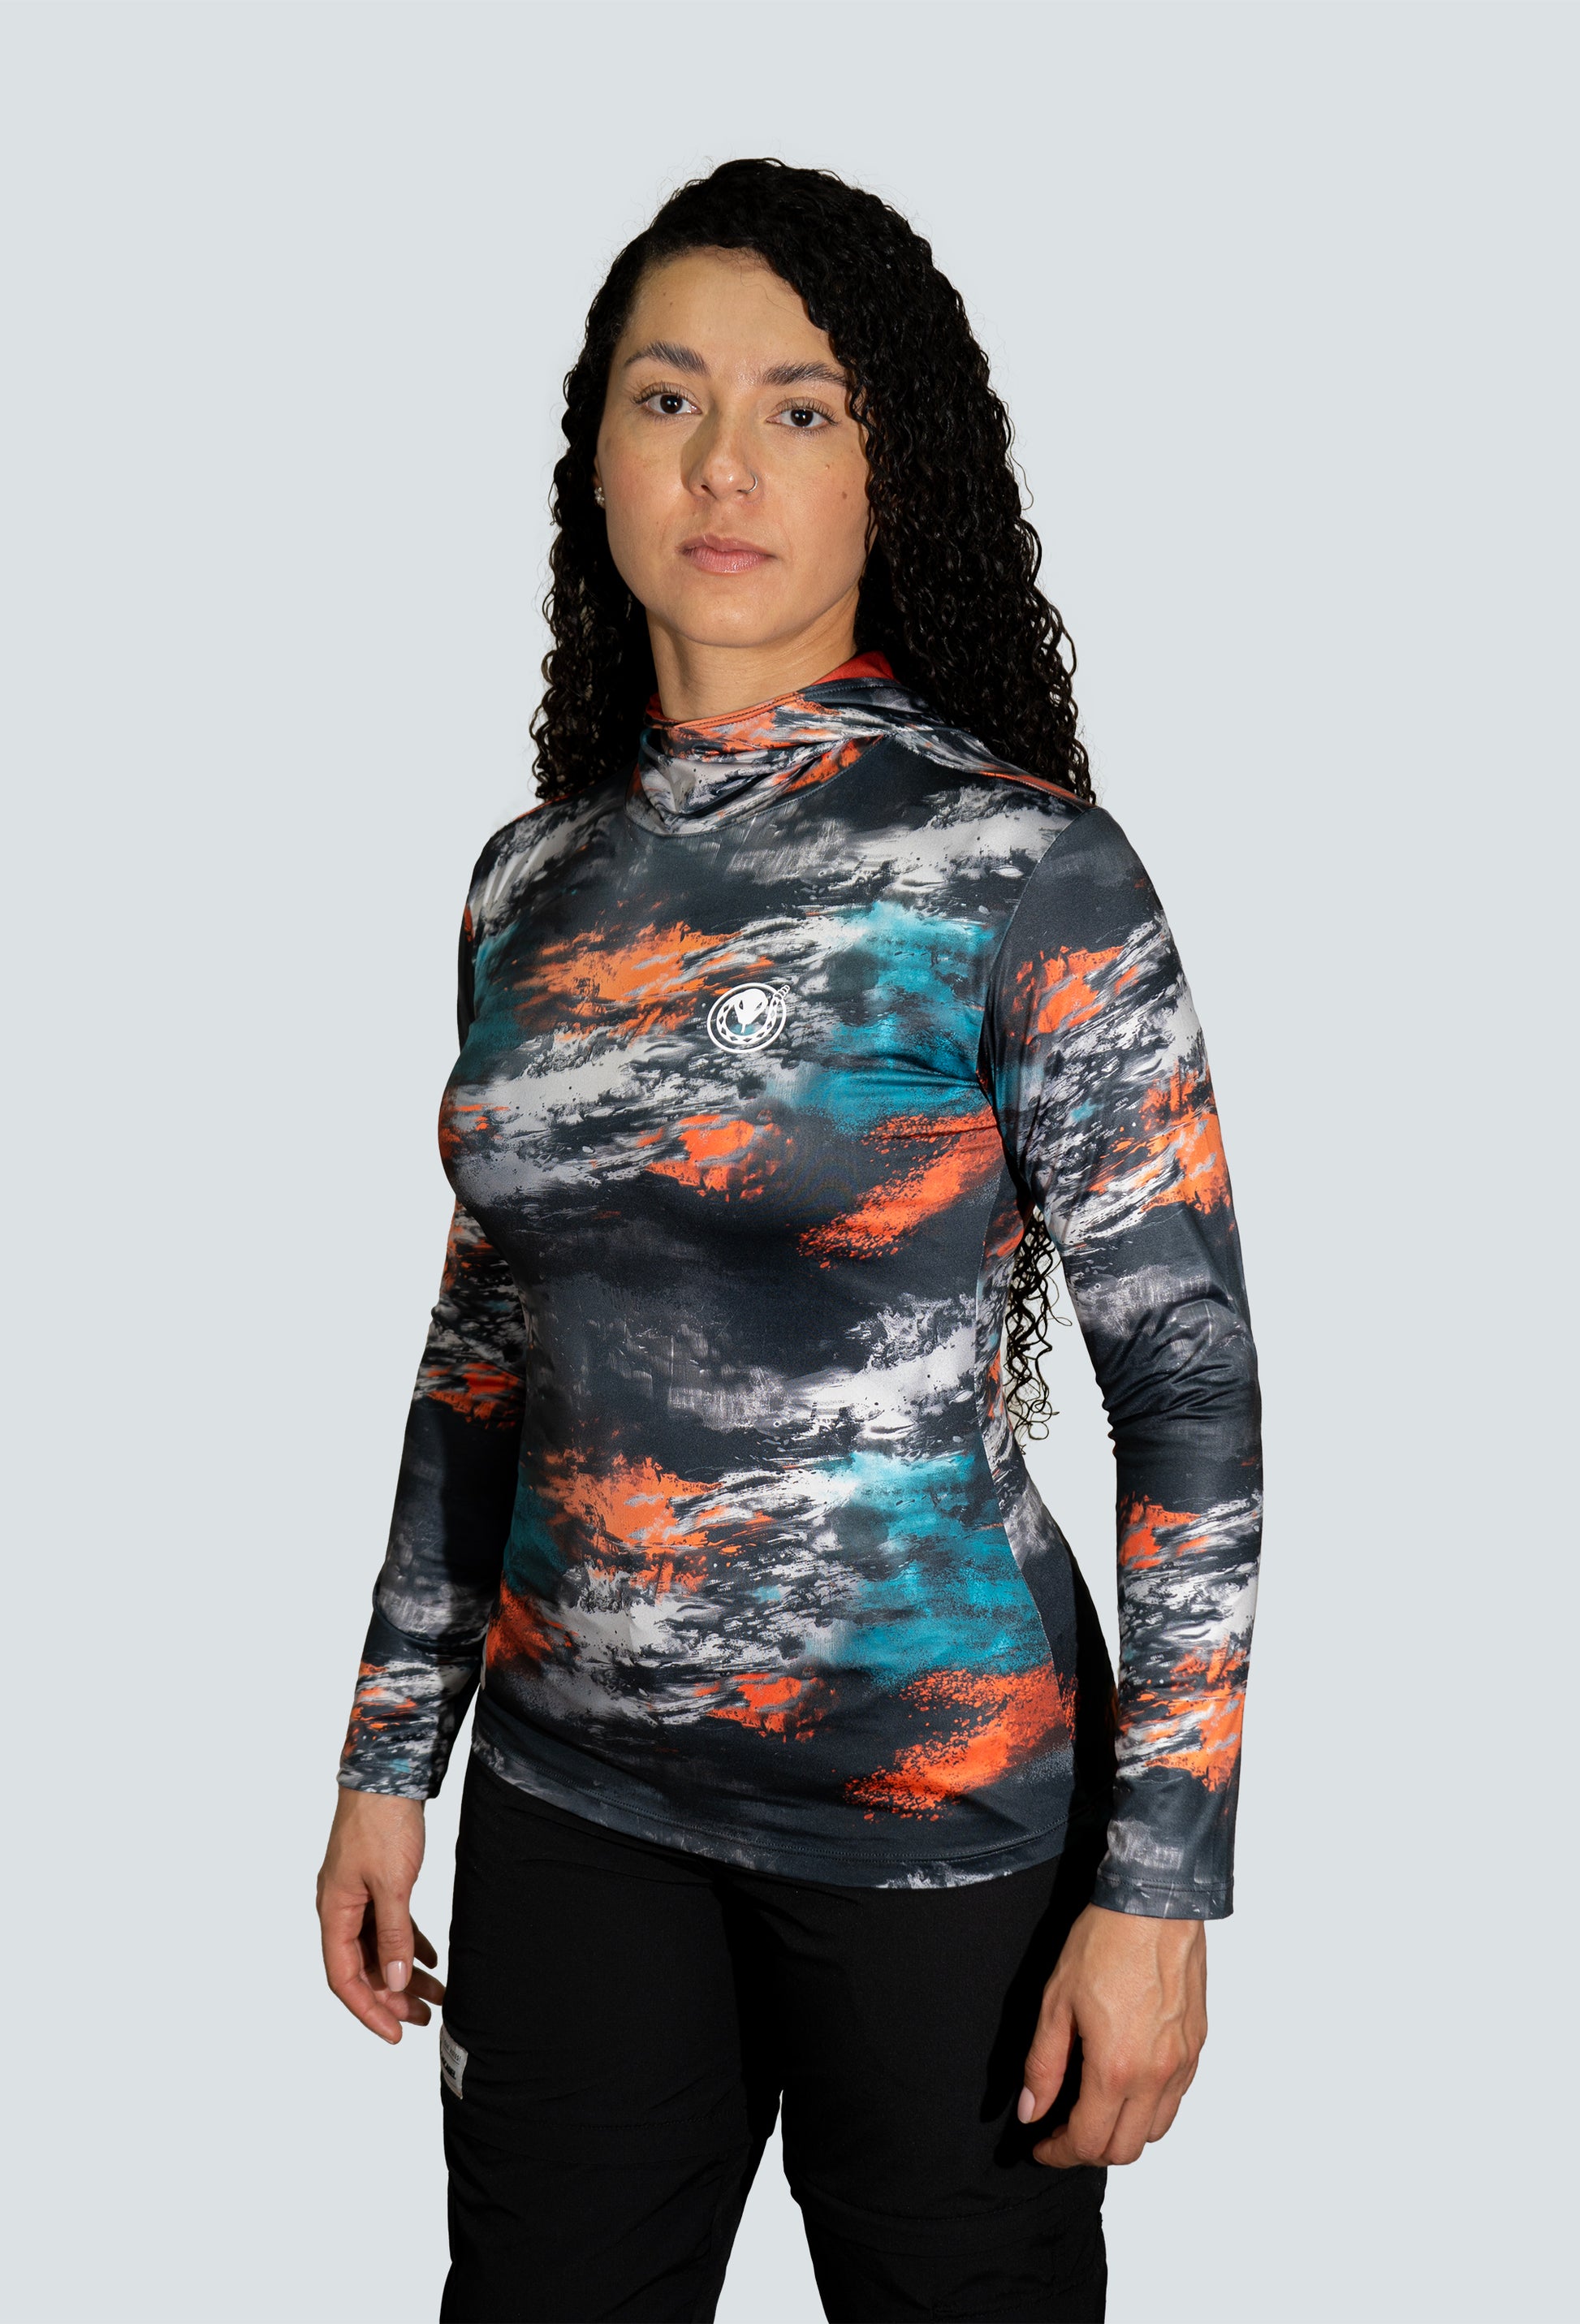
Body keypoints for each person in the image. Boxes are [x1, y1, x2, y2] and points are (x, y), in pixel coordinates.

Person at [315, 158, 1262, 2324]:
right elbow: (486, 1355)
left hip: (937, 1825)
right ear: (597, 459)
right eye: (668, 399)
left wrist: (1160, 1889)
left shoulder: (1024, 870)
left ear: (886, 473)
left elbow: (1190, 1406)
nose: (723, 463)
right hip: (573, 1803)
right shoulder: (528, 884)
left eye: (801, 408)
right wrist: (387, 1759)